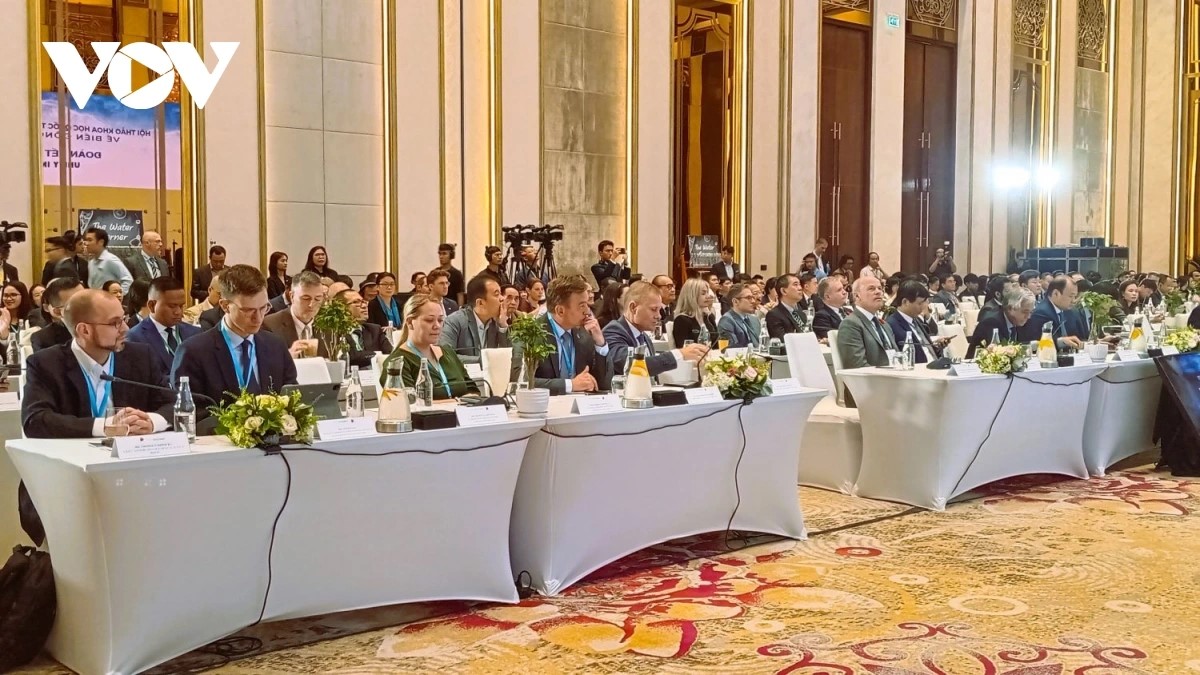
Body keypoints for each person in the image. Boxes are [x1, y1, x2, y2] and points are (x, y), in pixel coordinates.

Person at [22, 289, 175, 440]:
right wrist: (105, 426)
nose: (125, 329)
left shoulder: (140, 356)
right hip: (75, 453)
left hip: (133, 451)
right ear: (84, 330)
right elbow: (35, 420)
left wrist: (152, 421)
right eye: (115, 323)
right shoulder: (46, 363)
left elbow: (173, 403)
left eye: (124, 319)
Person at [170, 265, 298, 415]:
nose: (258, 318)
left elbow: (292, 398)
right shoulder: (194, 352)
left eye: (264, 308)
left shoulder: (275, 345)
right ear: (225, 306)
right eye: (248, 310)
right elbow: (190, 412)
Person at [510, 276, 609, 395]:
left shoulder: (584, 333)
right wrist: (570, 385)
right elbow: (520, 381)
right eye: (582, 305)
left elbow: (605, 384)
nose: (587, 311)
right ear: (560, 311)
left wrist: (600, 344)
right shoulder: (529, 334)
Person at [381, 294, 478, 399]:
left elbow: (473, 390)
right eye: (429, 320)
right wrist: (459, 402)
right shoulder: (397, 363)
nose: (437, 326)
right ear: (410, 322)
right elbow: (409, 404)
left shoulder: (448, 352)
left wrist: (464, 401)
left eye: (440, 320)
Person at [603, 281, 707, 377]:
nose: (659, 316)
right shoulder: (613, 331)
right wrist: (680, 354)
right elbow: (631, 364)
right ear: (633, 308)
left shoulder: (644, 336)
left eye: (659, 310)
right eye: (653, 309)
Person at [126, 276, 201, 375]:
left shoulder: (195, 334)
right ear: (152, 305)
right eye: (172, 306)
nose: (178, 312)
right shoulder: (135, 338)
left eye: (181, 306)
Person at [439, 273, 510, 364]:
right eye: (496, 294)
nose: (502, 298)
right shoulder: (454, 321)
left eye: (500, 293)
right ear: (480, 303)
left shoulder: (496, 322)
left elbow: (509, 356)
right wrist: (484, 360)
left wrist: (502, 326)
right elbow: (445, 355)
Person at [836, 276, 897, 374]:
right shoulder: (851, 324)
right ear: (857, 296)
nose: (878, 292)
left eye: (880, 288)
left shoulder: (885, 325)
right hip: (874, 381)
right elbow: (857, 367)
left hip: (896, 377)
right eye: (871, 289)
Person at [262, 271, 328, 359]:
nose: (311, 305)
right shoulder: (270, 325)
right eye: (306, 298)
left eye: (317, 299)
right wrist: (287, 357)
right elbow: (264, 362)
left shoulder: (328, 326)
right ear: (292, 296)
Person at [886, 280, 952, 364]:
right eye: (920, 303)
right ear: (905, 302)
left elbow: (925, 348)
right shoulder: (892, 325)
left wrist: (937, 346)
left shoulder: (915, 320)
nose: (924, 306)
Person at [1017, 277, 1086, 348]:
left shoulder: (1070, 312)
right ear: (1056, 293)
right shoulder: (1040, 313)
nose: (1073, 300)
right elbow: (1038, 344)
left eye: (1075, 296)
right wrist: (1060, 342)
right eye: (1071, 296)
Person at [967, 286, 1036, 358]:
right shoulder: (991, 322)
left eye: (1031, 312)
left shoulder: (1017, 320)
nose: (1028, 316)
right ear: (1010, 308)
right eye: (1025, 312)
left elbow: (1019, 345)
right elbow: (997, 352)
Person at [335, 288, 392, 368]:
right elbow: (352, 357)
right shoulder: (334, 332)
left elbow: (391, 354)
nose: (364, 306)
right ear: (342, 308)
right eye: (356, 302)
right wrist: (377, 355)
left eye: (363, 302)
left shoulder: (375, 330)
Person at [31, 277, 82, 353]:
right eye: (75, 304)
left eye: (88, 299)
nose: (86, 306)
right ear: (58, 312)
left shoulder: (100, 325)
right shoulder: (43, 338)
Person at [83, 227, 133, 293]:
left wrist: (118, 295)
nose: (86, 243)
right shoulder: (91, 262)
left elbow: (128, 280)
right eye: (86, 240)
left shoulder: (110, 260)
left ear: (101, 242)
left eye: (90, 240)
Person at [671, 278, 719, 348]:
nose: (708, 296)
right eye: (703, 293)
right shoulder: (682, 320)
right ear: (692, 296)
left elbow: (717, 344)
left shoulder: (709, 317)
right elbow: (683, 348)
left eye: (707, 292)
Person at [716, 283, 762, 349]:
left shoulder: (755, 320)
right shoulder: (727, 321)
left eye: (752, 297)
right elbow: (731, 348)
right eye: (748, 298)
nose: (753, 301)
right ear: (735, 301)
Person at [766, 273, 808, 340]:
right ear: (783, 291)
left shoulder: (801, 314)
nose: (800, 288)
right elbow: (782, 340)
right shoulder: (774, 315)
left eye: (799, 284)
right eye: (795, 284)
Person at [812, 276, 851, 341]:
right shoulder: (821, 316)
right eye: (839, 290)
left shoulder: (849, 311)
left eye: (843, 288)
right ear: (827, 296)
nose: (844, 292)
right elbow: (833, 338)